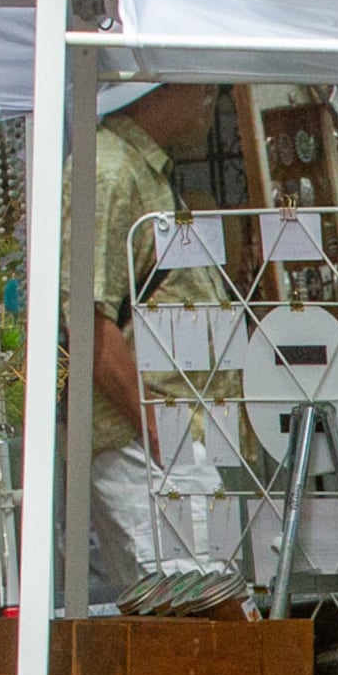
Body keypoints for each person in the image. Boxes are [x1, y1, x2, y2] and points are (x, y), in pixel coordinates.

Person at [82, 79, 226, 593]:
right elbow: (85, 322)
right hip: (149, 445)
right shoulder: (110, 169)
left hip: (162, 439)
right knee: (190, 617)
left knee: (191, 616)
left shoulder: (132, 169)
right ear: (153, 92)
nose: (210, 98)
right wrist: (155, 428)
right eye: (197, 86)